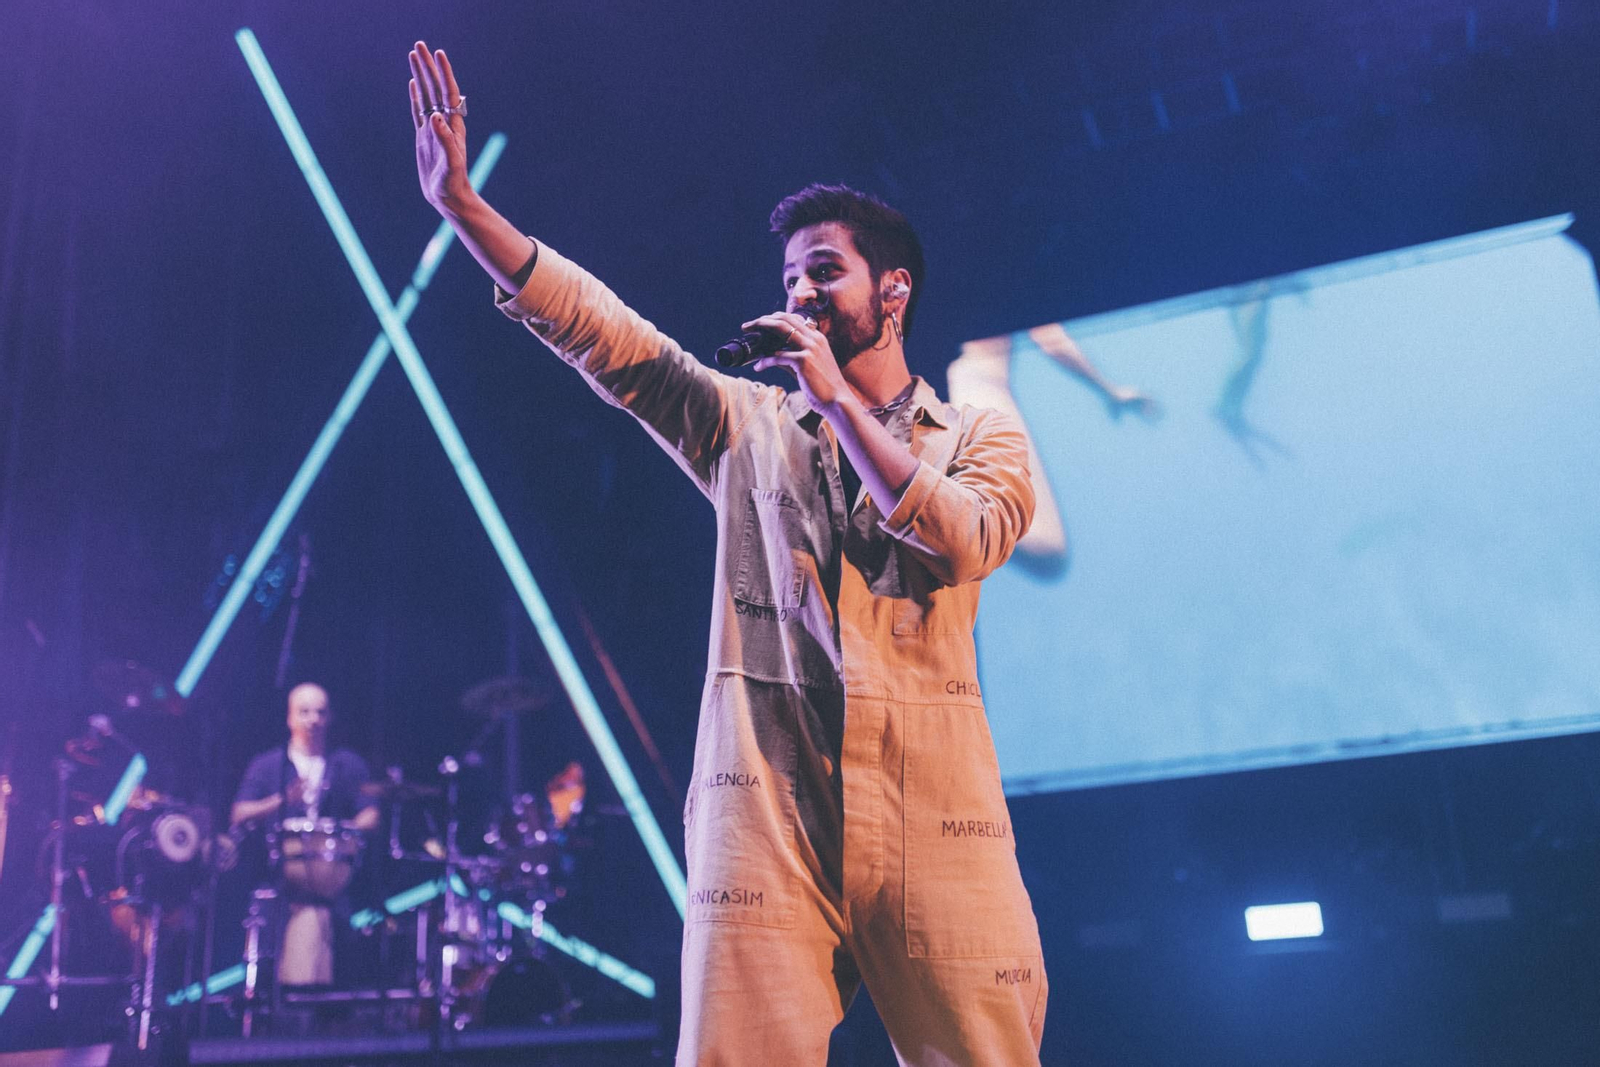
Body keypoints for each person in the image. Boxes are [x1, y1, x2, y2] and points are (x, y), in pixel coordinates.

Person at [408, 42, 1046, 1064]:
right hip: (769, 813)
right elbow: (607, 336)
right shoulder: (744, 425)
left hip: (938, 816)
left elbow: (962, 539)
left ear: (893, 291)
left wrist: (835, 401)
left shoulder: (979, 432)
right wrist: (467, 212)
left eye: (824, 272)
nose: (800, 296)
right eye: (790, 279)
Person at [231, 682, 378, 986]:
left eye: (320, 712)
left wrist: (345, 833)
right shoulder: (269, 765)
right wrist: (282, 800)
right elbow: (239, 813)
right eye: (305, 712)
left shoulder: (345, 764)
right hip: (279, 877)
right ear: (290, 718)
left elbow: (371, 813)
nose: (313, 719)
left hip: (336, 881)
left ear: (330, 718)